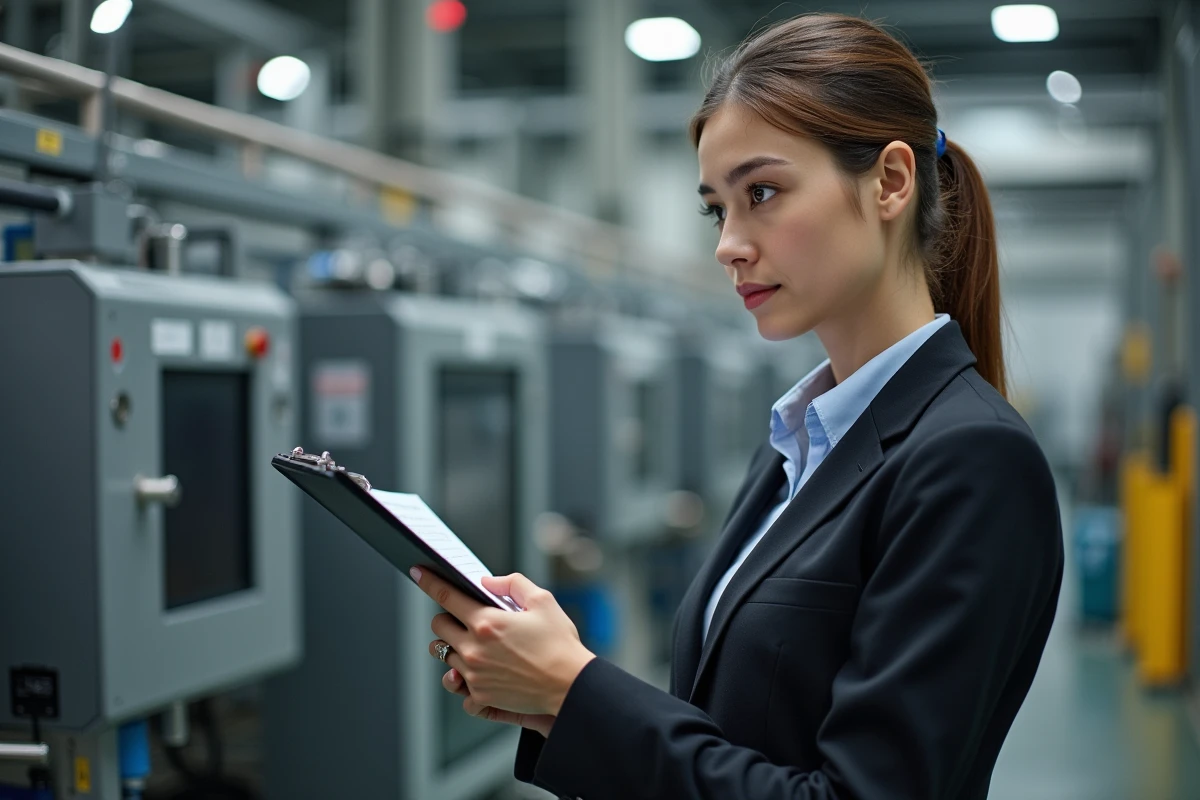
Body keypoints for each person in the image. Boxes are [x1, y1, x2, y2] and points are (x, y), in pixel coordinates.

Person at [411, 12, 1064, 800]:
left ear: (891, 182)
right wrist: (550, 689)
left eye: (762, 192)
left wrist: (573, 692)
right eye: (717, 208)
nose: (729, 243)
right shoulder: (800, 444)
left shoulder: (969, 460)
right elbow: (734, 732)